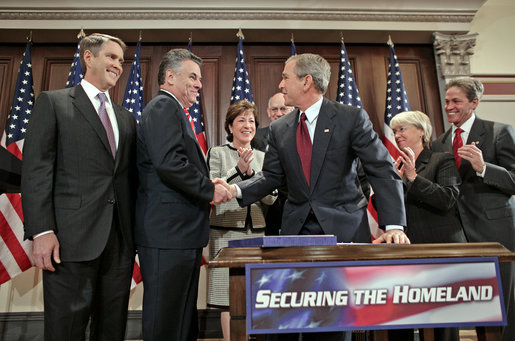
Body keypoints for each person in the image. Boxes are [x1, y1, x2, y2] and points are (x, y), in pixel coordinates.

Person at [217, 53, 409, 341]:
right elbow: (271, 178)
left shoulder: (350, 118)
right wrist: (235, 189)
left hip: (342, 232)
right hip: (297, 235)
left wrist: (393, 225)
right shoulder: (281, 129)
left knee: (336, 324)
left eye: (285, 77)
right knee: (291, 321)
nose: (281, 84)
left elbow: (381, 170)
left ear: (306, 81)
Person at [21, 33, 137, 340]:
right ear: (88, 57)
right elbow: (36, 171)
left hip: (119, 243)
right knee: (66, 329)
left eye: (121, 61)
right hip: (68, 242)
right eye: (111, 57)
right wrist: (42, 231)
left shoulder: (127, 119)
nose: (117, 65)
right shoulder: (54, 103)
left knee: (111, 329)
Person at [135, 49, 232, 341]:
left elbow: (174, 162)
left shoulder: (173, 109)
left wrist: (206, 181)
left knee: (179, 317)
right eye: (193, 76)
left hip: (177, 233)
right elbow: (169, 163)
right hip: (168, 233)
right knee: (166, 320)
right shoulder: (164, 107)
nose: (199, 84)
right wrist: (209, 189)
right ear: (169, 76)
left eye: (200, 78)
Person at [432, 77, 515, 341]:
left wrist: (483, 168)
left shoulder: (498, 131)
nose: (449, 106)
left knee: (503, 306)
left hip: (495, 232)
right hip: (457, 234)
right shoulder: (441, 142)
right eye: (446, 101)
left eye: (456, 101)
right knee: (478, 305)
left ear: (474, 102)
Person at [389, 110, 467, 341]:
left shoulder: (441, 160)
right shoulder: (397, 165)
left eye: (402, 129)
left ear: (422, 131)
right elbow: (391, 208)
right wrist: (387, 186)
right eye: (394, 131)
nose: (397, 135)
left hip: (439, 248)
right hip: (408, 250)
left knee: (442, 321)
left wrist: (413, 177)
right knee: (406, 316)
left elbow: (447, 199)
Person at [207, 99, 276, 341]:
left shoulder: (263, 156)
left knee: (253, 295)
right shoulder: (217, 153)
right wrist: (237, 169)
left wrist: (252, 174)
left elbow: (271, 198)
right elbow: (213, 191)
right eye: (241, 120)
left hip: (256, 234)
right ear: (229, 127)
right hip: (225, 232)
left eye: (251, 121)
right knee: (227, 298)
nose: (247, 125)